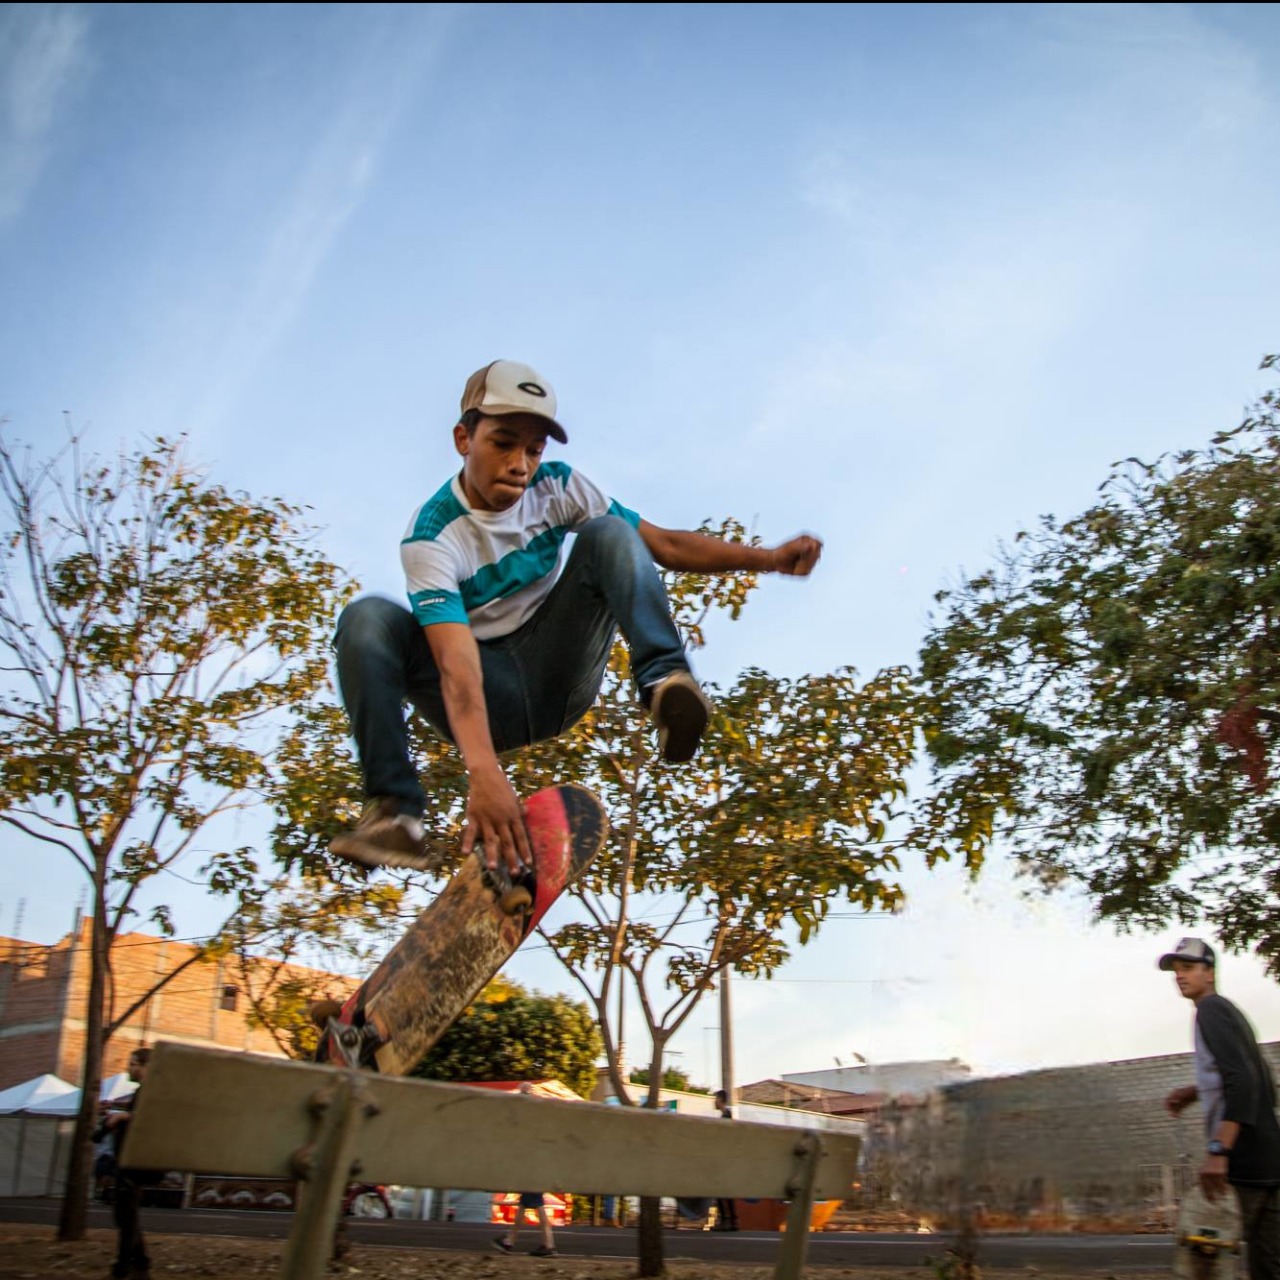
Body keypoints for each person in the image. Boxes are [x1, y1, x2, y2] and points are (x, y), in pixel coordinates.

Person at [329, 359, 822, 875]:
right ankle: (395, 814)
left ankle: (663, 682)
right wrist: (484, 771)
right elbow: (455, 664)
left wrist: (768, 559)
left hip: (556, 673)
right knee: (367, 619)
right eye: (503, 443)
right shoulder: (433, 536)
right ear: (463, 439)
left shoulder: (558, 488)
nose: (521, 464)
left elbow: (667, 545)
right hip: (485, 690)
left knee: (610, 533)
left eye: (534, 449)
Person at [1160, 937, 1280, 1280]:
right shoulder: (1231, 1011)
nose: (1179, 976)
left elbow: (1243, 1081)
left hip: (1241, 1161)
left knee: (1206, 1262)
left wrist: (1218, 1151)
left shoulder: (1209, 1011)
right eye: (1175, 970)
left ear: (1209, 973)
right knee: (1268, 1267)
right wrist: (1196, 1091)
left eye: (1188, 968)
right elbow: (1261, 1076)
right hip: (1270, 1158)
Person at [93, 1048, 152, 1280]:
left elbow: (149, 1118)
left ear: (145, 1065)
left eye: (133, 1063)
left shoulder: (151, 1091)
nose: (129, 1068)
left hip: (135, 1161)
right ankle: (139, 1265)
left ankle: (125, 1267)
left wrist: (123, 1117)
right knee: (124, 1215)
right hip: (128, 1159)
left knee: (126, 1216)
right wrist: (117, 1113)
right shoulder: (142, 1092)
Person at [711, 1089, 740, 1232]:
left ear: (721, 1099)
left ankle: (726, 1220)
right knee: (725, 1190)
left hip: (724, 1157)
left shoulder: (726, 1115)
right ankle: (732, 1220)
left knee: (720, 1189)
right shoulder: (725, 1115)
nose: (713, 1101)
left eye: (715, 1098)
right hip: (725, 1156)